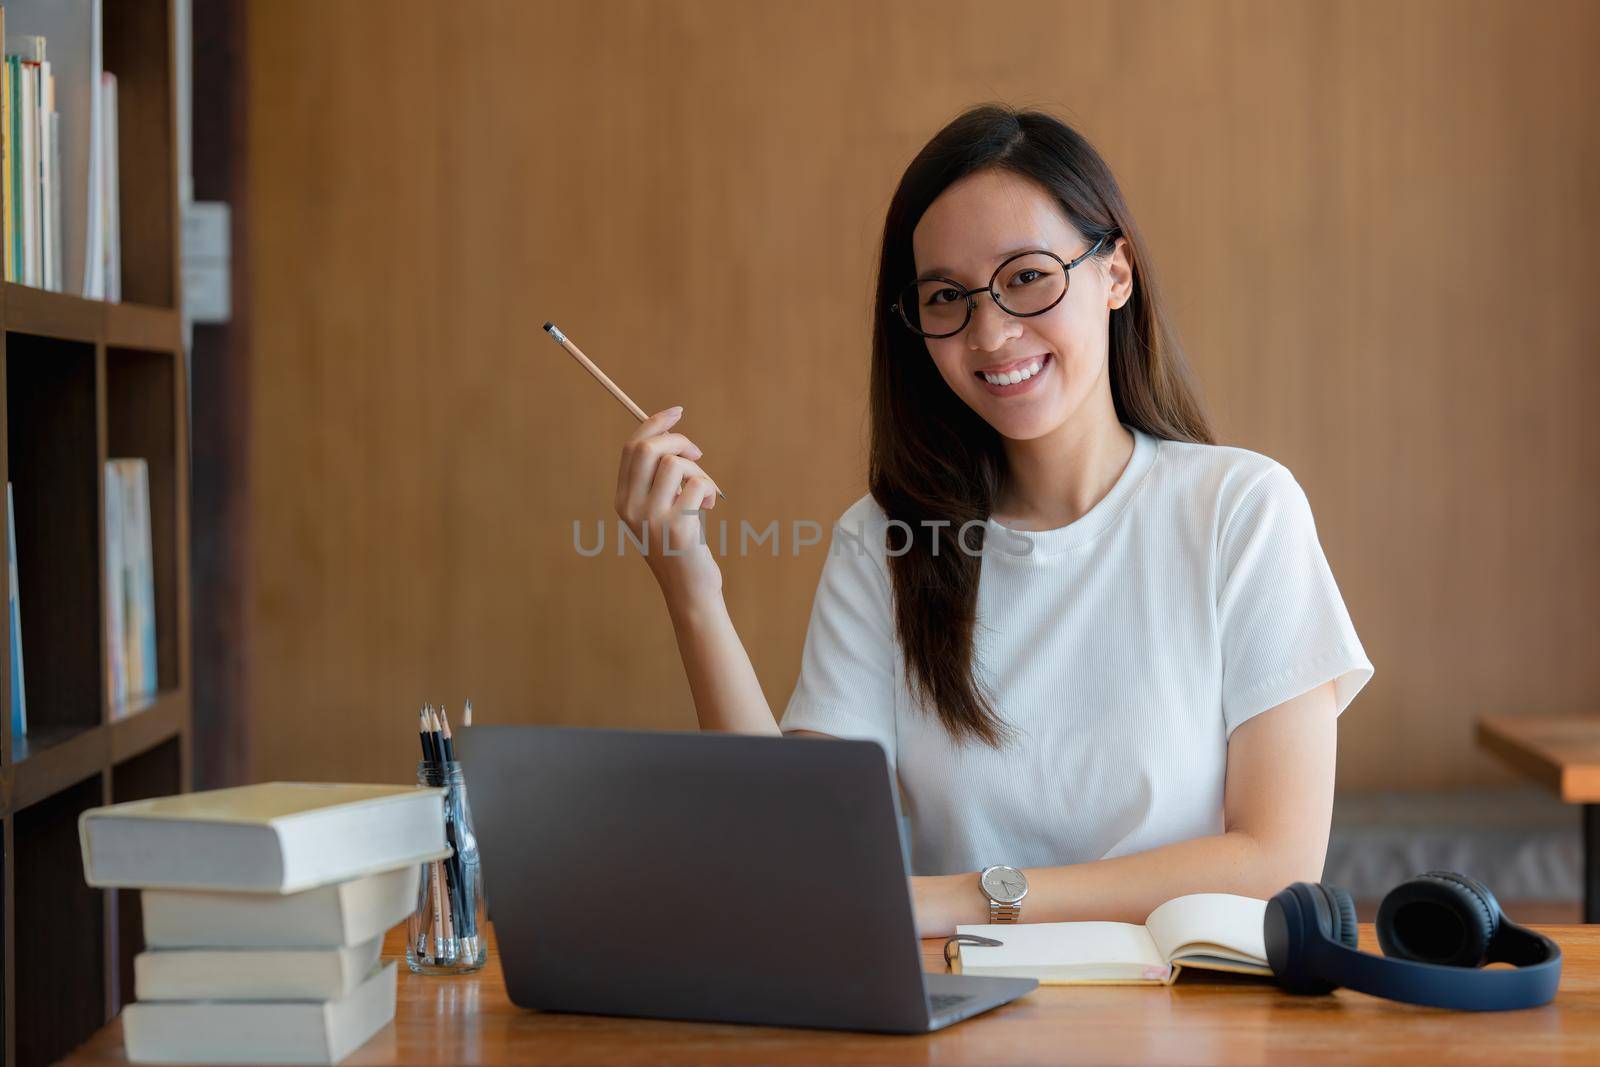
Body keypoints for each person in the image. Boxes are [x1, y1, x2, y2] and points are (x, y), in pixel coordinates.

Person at [611, 104, 1373, 938]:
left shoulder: (1241, 510)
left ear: (1115, 273)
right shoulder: (884, 543)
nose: (992, 333)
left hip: (1185, 1016)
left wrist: (960, 899)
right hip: (959, 1018)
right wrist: (692, 589)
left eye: (1027, 276)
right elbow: (797, 854)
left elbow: (1275, 863)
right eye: (948, 297)